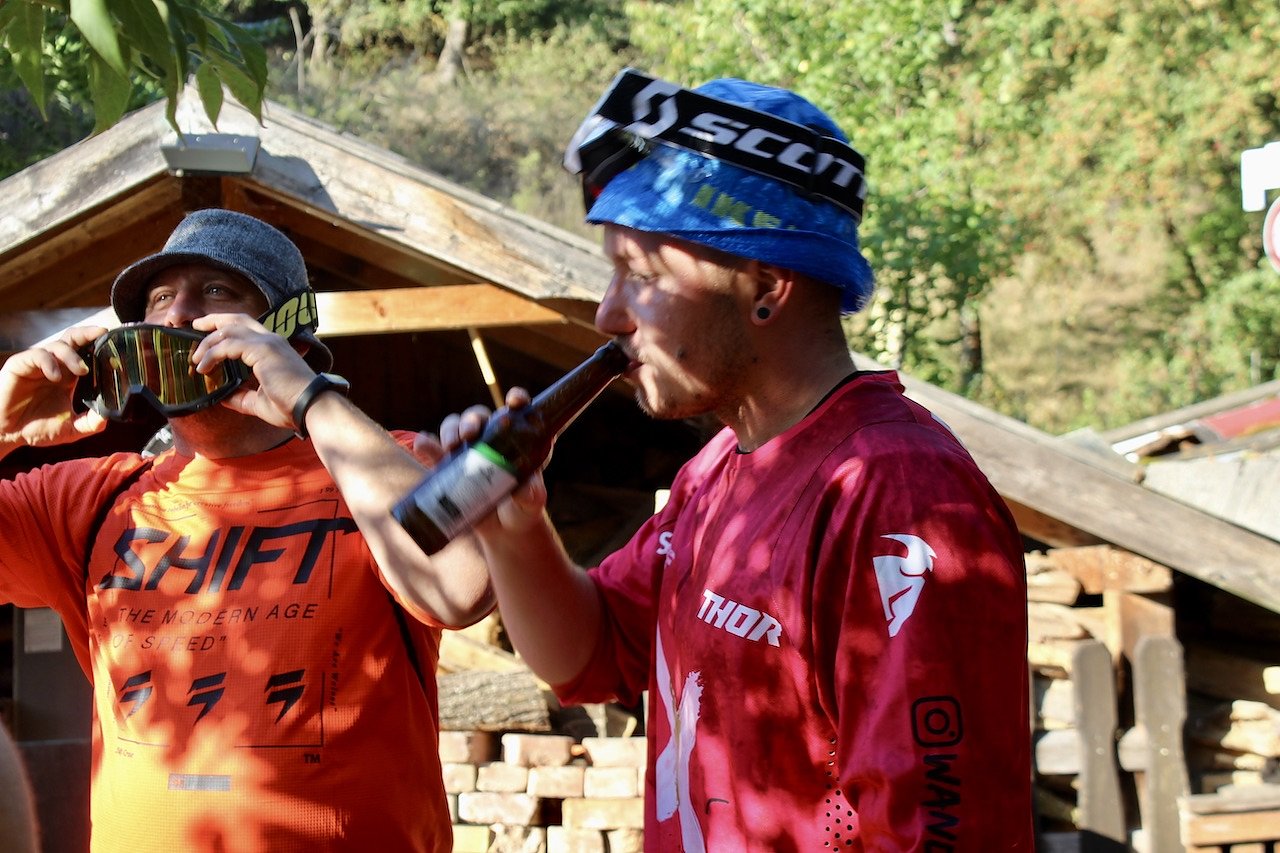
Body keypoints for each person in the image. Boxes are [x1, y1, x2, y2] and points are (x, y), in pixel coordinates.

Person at [437, 69, 1034, 849]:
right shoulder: (719, 469)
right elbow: (589, 651)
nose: (607, 313)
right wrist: (514, 528)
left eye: (642, 276)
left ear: (766, 287)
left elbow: (937, 828)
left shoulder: (899, 496)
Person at [0, 209, 494, 852]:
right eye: (159, 299)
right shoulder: (87, 499)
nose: (178, 315)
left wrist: (308, 398)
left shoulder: (379, 468)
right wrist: (0, 423)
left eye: (216, 291)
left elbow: (462, 590)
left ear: (290, 340)